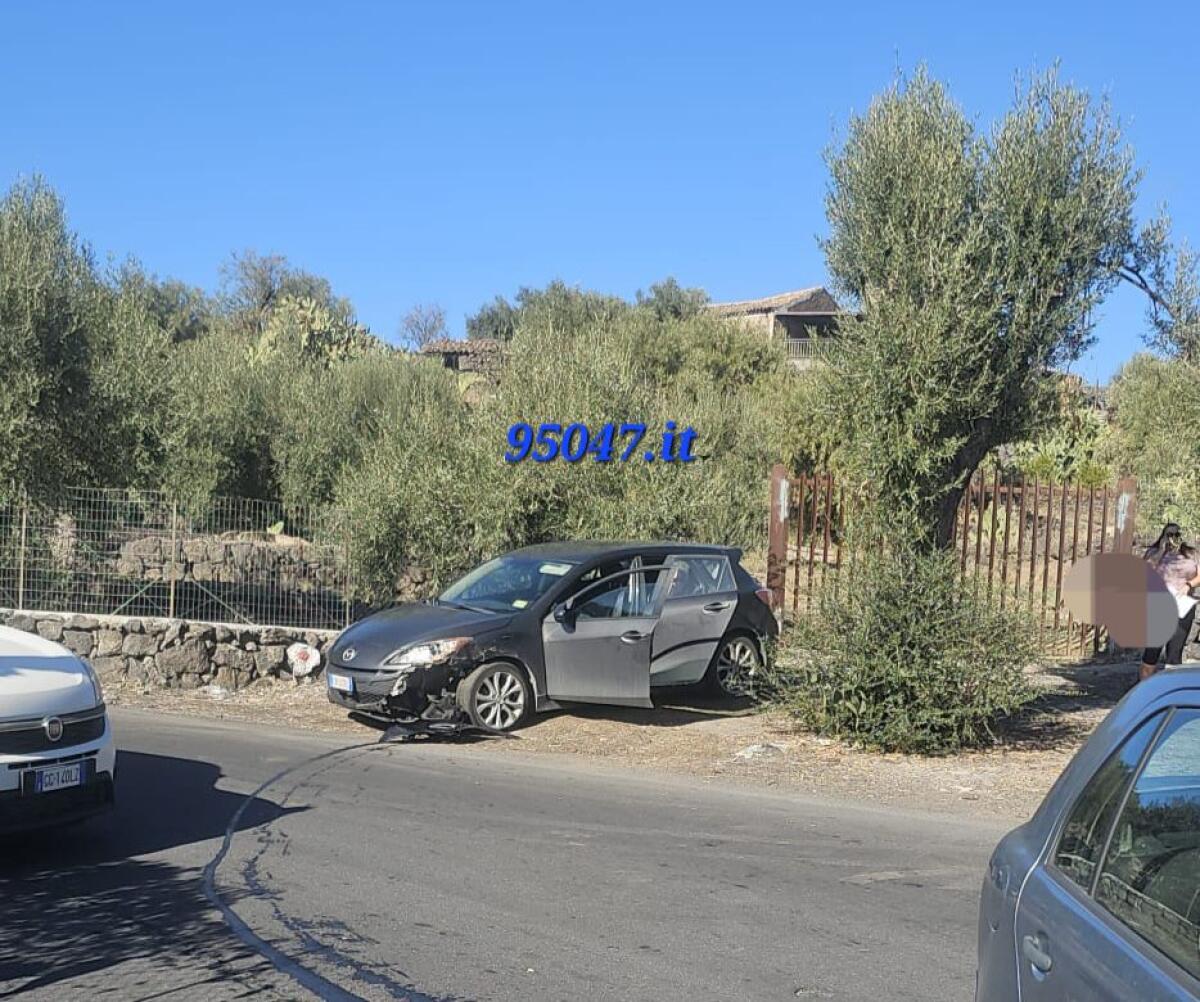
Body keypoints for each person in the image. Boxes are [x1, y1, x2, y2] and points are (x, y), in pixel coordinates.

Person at [1140, 522, 1200, 680]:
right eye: (1169, 534)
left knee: (1174, 655)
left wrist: (1189, 585)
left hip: (1183, 607)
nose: (1173, 538)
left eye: (1176, 534)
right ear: (1163, 536)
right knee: (1151, 653)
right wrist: (1161, 550)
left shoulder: (1191, 553)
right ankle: (1144, 688)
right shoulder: (1154, 553)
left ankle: (1171, 689)